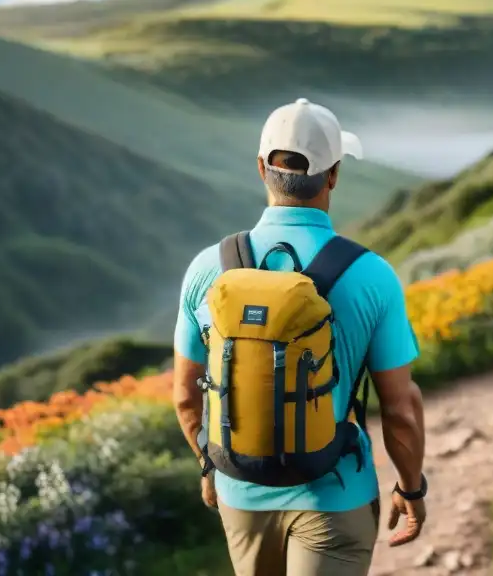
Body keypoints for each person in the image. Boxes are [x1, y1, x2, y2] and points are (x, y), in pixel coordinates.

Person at [172, 97, 428, 576]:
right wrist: (410, 488)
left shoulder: (208, 268)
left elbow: (187, 397)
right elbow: (400, 407)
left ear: (260, 169)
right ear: (333, 175)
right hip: (335, 496)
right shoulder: (372, 275)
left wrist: (211, 465)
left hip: (240, 496)